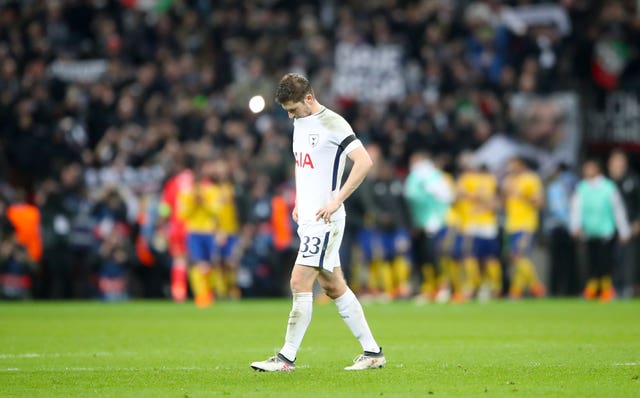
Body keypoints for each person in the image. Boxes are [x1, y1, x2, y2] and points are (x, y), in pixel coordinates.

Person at [251, 73, 384, 372]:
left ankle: (286, 358)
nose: (290, 115)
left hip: (327, 219)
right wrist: (301, 201)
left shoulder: (334, 124)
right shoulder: (299, 123)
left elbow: (364, 162)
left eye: (293, 109)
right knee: (333, 286)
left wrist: (337, 200)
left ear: (309, 98)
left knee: (299, 281)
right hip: (308, 218)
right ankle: (373, 352)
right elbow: (305, 166)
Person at [570, 158, 631, 302]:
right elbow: (576, 209)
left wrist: (623, 230)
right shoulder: (582, 187)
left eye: (590, 168)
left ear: (597, 169)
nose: (587, 171)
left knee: (605, 262)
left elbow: (618, 210)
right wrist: (575, 226)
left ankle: (606, 289)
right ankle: (591, 289)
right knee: (591, 262)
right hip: (589, 231)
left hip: (605, 231)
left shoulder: (608, 187)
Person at [404, 151, 454, 302]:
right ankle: (431, 288)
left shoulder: (426, 175)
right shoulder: (430, 176)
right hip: (423, 224)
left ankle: (442, 287)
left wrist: (430, 220)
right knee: (425, 258)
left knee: (433, 257)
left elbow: (443, 196)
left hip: (433, 224)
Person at [502, 157, 546, 299]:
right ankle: (518, 290)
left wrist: (524, 196)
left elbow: (540, 202)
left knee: (518, 256)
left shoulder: (531, 179)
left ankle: (535, 286)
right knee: (515, 258)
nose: (511, 169)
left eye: (513, 165)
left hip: (526, 224)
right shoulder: (508, 181)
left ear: (522, 165)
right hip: (511, 225)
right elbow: (504, 203)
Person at [607, 150, 640, 298]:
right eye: (615, 162)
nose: (617, 165)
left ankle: (627, 287)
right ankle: (611, 288)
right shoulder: (605, 183)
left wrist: (637, 222)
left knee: (629, 258)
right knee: (609, 259)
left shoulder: (633, 180)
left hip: (630, 227)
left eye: (620, 161)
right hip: (608, 228)